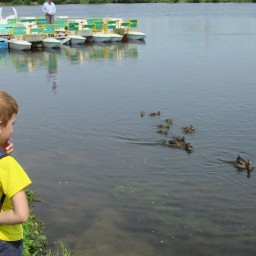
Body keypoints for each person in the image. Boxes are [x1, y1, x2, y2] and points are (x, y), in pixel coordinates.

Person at [0, 90, 32, 256]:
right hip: (5, 243)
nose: (12, 131)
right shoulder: (8, 165)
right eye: (12, 124)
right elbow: (21, 214)